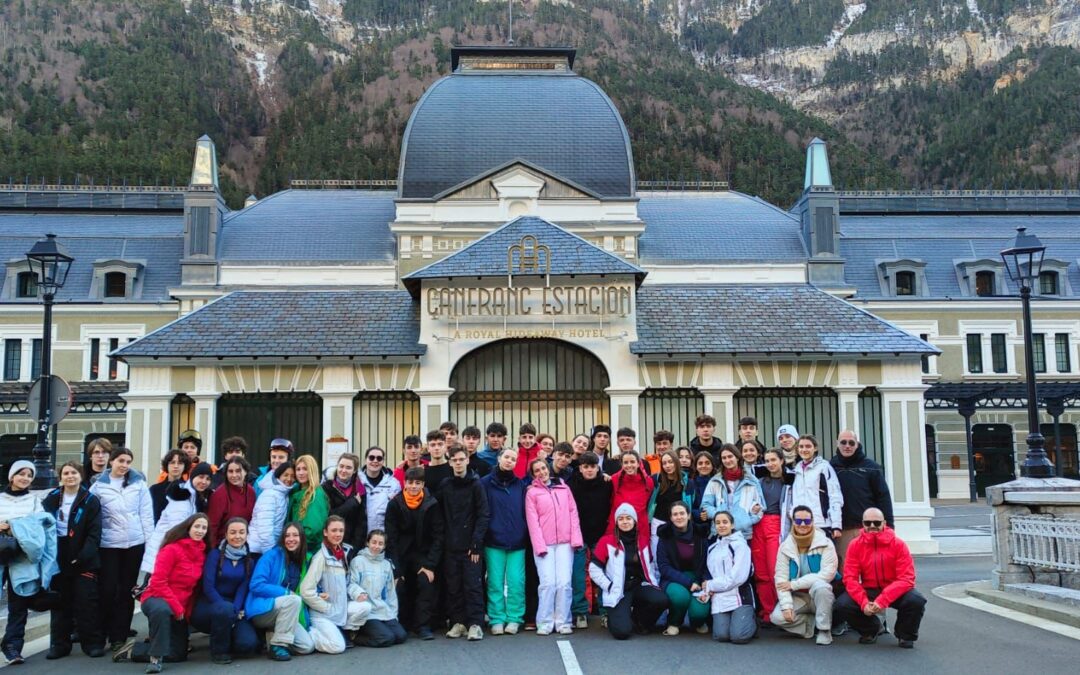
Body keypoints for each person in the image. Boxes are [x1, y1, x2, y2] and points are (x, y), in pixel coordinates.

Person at [114, 513, 210, 673]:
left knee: (178, 654)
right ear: (188, 528)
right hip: (156, 597)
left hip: (180, 606)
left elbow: (192, 589)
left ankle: (134, 650)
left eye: (204, 527)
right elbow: (158, 582)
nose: (200, 530)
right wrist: (177, 608)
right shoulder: (171, 549)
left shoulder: (201, 554)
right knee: (162, 610)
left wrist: (185, 612)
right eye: (197, 526)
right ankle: (155, 659)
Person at [89, 447, 154, 654]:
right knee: (107, 590)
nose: (124, 465)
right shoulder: (98, 487)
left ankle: (120, 635)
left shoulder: (139, 485)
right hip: (108, 545)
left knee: (126, 591)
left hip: (134, 544)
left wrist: (149, 544)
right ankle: (101, 633)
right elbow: (92, 515)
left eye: (128, 461)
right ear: (112, 462)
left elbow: (146, 515)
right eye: (121, 461)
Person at [833, 508, 926, 648]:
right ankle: (871, 629)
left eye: (876, 522)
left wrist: (882, 600)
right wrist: (864, 602)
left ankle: (905, 634)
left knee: (916, 600)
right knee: (842, 604)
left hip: (894, 589)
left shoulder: (899, 544)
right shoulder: (855, 545)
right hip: (869, 588)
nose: (872, 526)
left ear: (884, 523)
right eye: (867, 522)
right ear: (862, 524)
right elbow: (850, 578)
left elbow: (907, 578)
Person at [44, 461, 105, 659]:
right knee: (60, 603)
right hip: (57, 554)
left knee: (86, 603)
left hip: (83, 555)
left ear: (80, 475)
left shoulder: (90, 500)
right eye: (66, 473)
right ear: (61, 476)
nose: (70, 476)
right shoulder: (52, 498)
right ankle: (59, 645)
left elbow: (94, 533)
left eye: (74, 473)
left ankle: (92, 644)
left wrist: (81, 557)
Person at [589, 503, 668, 640]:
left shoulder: (642, 541)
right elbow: (594, 569)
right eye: (621, 519)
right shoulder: (607, 541)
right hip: (618, 589)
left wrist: (653, 585)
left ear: (635, 521)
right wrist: (609, 585)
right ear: (616, 522)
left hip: (638, 585)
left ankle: (638, 621)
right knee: (622, 633)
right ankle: (615, 619)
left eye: (628, 518)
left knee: (661, 599)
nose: (625, 522)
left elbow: (649, 565)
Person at [384, 467, 444, 640]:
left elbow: (438, 536)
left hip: (423, 555)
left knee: (425, 583)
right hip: (400, 555)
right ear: (404, 483)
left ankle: (423, 626)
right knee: (399, 585)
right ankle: (402, 624)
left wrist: (430, 565)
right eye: (410, 482)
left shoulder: (431, 503)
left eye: (417, 483)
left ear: (423, 484)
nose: (413, 486)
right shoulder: (394, 503)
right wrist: (395, 569)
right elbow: (391, 538)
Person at [525, 458, 582, 636]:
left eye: (543, 468)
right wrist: (539, 545)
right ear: (533, 475)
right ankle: (545, 621)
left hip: (565, 543)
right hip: (545, 545)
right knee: (548, 583)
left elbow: (573, 513)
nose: (542, 472)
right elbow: (532, 522)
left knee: (564, 583)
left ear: (548, 468)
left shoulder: (564, 488)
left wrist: (576, 539)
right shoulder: (532, 493)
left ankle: (563, 621)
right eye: (537, 471)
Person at [437, 446, 490, 641]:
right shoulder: (446, 484)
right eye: (454, 460)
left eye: (461, 459)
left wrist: (476, 543)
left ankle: (475, 624)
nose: (458, 463)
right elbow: (438, 511)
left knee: (472, 585)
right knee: (454, 585)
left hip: (471, 548)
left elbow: (483, 514)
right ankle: (458, 622)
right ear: (450, 462)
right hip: (451, 545)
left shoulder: (476, 485)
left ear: (467, 460)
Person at [299, 515, 371, 654]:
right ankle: (311, 634)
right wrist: (325, 607)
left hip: (339, 609)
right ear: (325, 532)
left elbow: (347, 582)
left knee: (365, 607)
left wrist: (358, 593)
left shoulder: (342, 553)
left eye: (341, 531)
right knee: (337, 647)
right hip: (323, 614)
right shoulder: (320, 557)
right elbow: (306, 591)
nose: (338, 534)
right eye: (334, 530)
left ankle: (341, 630)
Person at [190, 518, 258, 664]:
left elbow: (243, 589)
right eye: (232, 532)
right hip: (209, 604)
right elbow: (208, 586)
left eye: (241, 532)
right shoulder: (215, 555)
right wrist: (226, 610)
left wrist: (235, 610)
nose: (237, 536)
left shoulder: (249, 561)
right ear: (226, 535)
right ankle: (219, 652)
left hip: (234, 607)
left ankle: (226, 635)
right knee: (224, 610)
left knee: (248, 645)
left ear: (247, 535)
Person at [245, 522, 315, 661]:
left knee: (307, 646)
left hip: (286, 613)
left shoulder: (304, 560)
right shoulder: (271, 556)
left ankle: (273, 635)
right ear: (282, 538)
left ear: (301, 538)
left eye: (295, 535)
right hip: (263, 609)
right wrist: (285, 593)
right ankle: (278, 645)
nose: (291, 539)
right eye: (287, 535)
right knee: (294, 599)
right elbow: (256, 584)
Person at [0, 461, 48, 665]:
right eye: (21, 474)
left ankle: (12, 646)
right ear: (12, 476)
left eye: (29, 475)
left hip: (21, 556)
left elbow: (39, 525)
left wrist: (12, 526)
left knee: (18, 604)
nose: (25, 478)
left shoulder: (35, 501)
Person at [138, 462, 213, 589]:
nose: (204, 481)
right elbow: (177, 530)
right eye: (201, 477)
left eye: (208, 479)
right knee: (158, 591)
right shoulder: (182, 498)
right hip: (166, 550)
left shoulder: (194, 496)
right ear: (192, 476)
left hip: (170, 550)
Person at [771, 504, 837, 645]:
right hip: (798, 597)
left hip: (818, 596)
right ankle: (810, 623)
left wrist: (794, 584)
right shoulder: (785, 547)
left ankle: (824, 630)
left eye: (807, 521)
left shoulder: (826, 543)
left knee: (822, 587)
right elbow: (780, 578)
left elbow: (826, 575)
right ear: (793, 522)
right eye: (798, 521)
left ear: (812, 522)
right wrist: (787, 606)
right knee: (777, 618)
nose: (802, 524)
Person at [480, 447, 528, 635]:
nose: (509, 461)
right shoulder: (485, 483)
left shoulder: (520, 485)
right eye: (506, 457)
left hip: (517, 541)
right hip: (493, 540)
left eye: (513, 459)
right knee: (494, 582)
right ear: (499, 459)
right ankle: (496, 618)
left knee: (516, 581)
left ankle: (515, 618)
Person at [830, 430, 894, 559]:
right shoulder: (830, 467)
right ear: (837, 444)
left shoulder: (872, 467)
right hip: (843, 530)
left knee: (870, 567)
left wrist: (889, 526)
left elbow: (883, 498)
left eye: (851, 443)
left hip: (867, 528)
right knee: (846, 569)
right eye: (843, 442)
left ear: (857, 444)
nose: (847, 446)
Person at [567, 451, 612, 629]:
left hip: (601, 536)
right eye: (586, 467)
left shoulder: (607, 483)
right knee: (578, 575)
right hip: (579, 535)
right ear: (580, 468)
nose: (589, 470)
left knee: (602, 576)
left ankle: (605, 612)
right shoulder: (572, 484)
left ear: (598, 467)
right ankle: (580, 612)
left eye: (593, 467)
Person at [655, 503, 710, 635]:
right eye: (675, 514)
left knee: (699, 612)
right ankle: (674, 622)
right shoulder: (665, 536)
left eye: (682, 513)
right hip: (673, 578)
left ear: (689, 515)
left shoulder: (700, 534)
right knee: (680, 597)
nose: (679, 517)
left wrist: (705, 581)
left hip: (697, 578)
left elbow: (708, 562)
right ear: (671, 518)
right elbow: (664, 567)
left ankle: (697, 622)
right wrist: (688, 583)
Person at [701, 510, 755, 644]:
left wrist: (710, 585)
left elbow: (737, 578)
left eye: (725, 522)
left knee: (739, 636)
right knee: (721, 636)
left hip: (739, 596)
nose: (721, 525)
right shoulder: (712, 548)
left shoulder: (741, 546)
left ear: (732, 525)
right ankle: (735, 622)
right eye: (717, 523)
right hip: (720, 597)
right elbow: (709, 573)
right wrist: (706, 590)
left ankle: (751, 621)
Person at [752, 448, 791, 625]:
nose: (770, 464)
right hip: (758, 525)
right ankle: (767, 611)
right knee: (761, 572)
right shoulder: (760, 482)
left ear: (782, 460)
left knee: (775, 570)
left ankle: (780, 608)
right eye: (767, 461)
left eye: (773, 460)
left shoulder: (790, 482)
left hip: (777, 525)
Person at [349, 530, 407, 647]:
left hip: (382, 609)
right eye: (374, 542)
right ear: (367, 543)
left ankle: (379, 630)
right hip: (367, 611)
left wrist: (393, 615)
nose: (376, 546)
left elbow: (390, 593)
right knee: (386, 638)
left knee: (401, 636)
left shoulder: (386, 565)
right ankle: (355, 637)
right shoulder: (358, 561)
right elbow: (351, 584)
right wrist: (358, 593)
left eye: (380, 543)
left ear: (384, 546)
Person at [702, 445, 764, 542]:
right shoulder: (715, 481)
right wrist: (720, 517)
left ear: (737, 457)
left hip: (744, 534)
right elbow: (706, 505)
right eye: (724, 458)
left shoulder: (752, 480)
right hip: (719, 533)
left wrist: (746, 521)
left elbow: (761, 507)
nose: (727, 460)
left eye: (730, 456)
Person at [791, 435, 843, 540]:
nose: (804, 449)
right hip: (800, 524)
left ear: (815, 448)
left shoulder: (824, 467)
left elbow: (835, 496)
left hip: (821, 524)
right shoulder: (796, 470)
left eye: (808, 446)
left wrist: (836, 525)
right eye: (801, 447)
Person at [606, 451, 653, 554]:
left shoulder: (648, 482)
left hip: (640, 526)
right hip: (617, 526)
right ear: (622, 465)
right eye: (626, 462)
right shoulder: (614, 479)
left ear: (638, 463)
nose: (629, 465)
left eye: (632, 462)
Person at [648, 449, 692, 551]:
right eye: (664, 463)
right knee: (656, 552)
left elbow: (690, 503)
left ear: (676, 462)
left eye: (670, 462)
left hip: (678, 522)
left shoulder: (687, 483)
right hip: (658, 522)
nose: (667, 466)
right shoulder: (656, 479)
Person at [322, 453, 368, 550]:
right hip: (330, 542)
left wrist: (355, 547)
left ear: (354, 470)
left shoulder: (360, 489)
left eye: (348, 467)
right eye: (341, 466)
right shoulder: (326, 487)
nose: (343, 470)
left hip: (352, 543)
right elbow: (329, 516)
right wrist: (352, 503)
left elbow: (361, 522)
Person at [207, 457, 256, 548]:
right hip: (223, 546)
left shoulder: (251, 491)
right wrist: (212, 551)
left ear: (245, 472)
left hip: (245, 544)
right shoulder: (219, 494)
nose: (234, 475)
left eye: (238, 471)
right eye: (230, 471)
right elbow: (212, 526)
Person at [248, 462, 296, 555]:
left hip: (267, 549)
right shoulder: (270, 495)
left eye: (292, 476)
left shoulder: (282, 494)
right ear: (278, 476)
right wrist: (270, 554)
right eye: (285, 475)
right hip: (258, 550)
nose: (289, 479)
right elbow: (265, 529)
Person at [289, 455, 330, 551]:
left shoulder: (316, 494)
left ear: (312, 471)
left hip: (307, 550)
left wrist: (294, 541)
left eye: (305, 469)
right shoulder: (295, 491)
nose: (301, 473)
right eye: (298, 469)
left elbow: (313, 529)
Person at [358, 446, 399, 533]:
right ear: (366, 460)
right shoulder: (356, 481)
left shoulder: (393, 484)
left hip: (383, 537)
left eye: (379, 458)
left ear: (383, 461)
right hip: (360, 536)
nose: (375, 461)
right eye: (371, 457)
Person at [149, 450, 189, 523]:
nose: (176, 466)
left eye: (180, 463)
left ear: (185, 466)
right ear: (166, 465)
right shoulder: (154, 489)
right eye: (172, 462)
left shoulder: (189, 489)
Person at [689, 451, 715, 523]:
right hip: (698, 527)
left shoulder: (718, 483)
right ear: (696, 466)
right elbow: (688, 505)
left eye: (707, 463)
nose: (704, 466)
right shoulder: (691, 484)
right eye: (700, 463)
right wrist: (698, 514)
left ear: (712, 465)